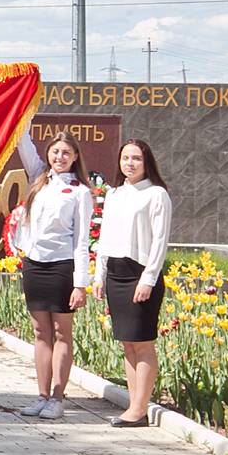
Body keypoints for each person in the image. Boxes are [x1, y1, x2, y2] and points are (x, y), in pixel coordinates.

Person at [8, 134, 93, 420]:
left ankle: (58, 397)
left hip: (62, 267)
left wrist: (80, 283)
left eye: (66, 152)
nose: (59, 157)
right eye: (55, 152)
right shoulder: (38, 177)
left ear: (75, 156)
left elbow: (82, 241)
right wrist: (21, 101)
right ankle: (41, 396)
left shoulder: (80, 192)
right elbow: (22, 141)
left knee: (61, 333)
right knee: (40, 333)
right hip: (34, 263)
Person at [94, 139, 172, 428]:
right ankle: (133, 405)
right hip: (115, 272)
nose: (129, 163)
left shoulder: (156, 194)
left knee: (143, 343)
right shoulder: (115, 194)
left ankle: (139, 410)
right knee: (127, 343)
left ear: (146, 161)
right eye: (125, 158)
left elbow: (160, 242)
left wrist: (148, 279)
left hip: (140, 274)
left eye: (136, 158)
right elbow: (105, 238)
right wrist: (99, 275)